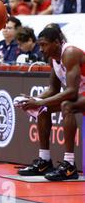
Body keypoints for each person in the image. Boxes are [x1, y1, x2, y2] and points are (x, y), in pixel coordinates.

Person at [17, 25, 84, 181]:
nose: (41, 49)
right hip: (81, 95)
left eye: (44, 44)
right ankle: (45, 161)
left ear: (56, 42)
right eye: (40, 45)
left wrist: (40, 102)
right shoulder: (52, 59)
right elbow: (53, 89)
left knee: (66, 105)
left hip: (79, 94)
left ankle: (69, 165)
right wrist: (34, 100)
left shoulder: (70, 53)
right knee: (43, 108)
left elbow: (72, 92)